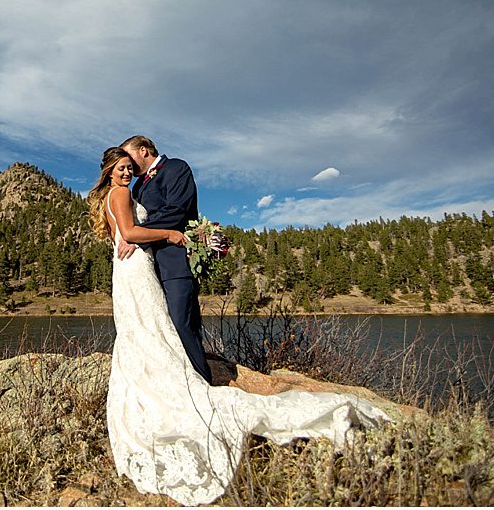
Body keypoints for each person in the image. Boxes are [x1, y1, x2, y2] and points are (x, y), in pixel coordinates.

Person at [88, 145, 391, 506]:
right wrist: (164, 235)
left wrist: (146, 233)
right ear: (110, 172)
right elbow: (131, 230)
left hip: (143, 268)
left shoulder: (171, 171)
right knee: (155, 327)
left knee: (161, 327)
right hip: (139, 266)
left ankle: (180, 381)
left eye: (129, 163)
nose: (127, 170)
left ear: (143, 150)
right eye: (120, 167)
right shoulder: (126, 191)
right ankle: (182, 388)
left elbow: (170, 213)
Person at [116, 135, 212, 384]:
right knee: (162, 327)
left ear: (144, 150)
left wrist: (138, 238)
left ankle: (204, 386)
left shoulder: (177, 168)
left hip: (176, 260)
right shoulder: (136, 188)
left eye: (130, 157)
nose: (128, 165)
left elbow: (177, 211)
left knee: (182, 324)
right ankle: (178, 384)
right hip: (149, 267)